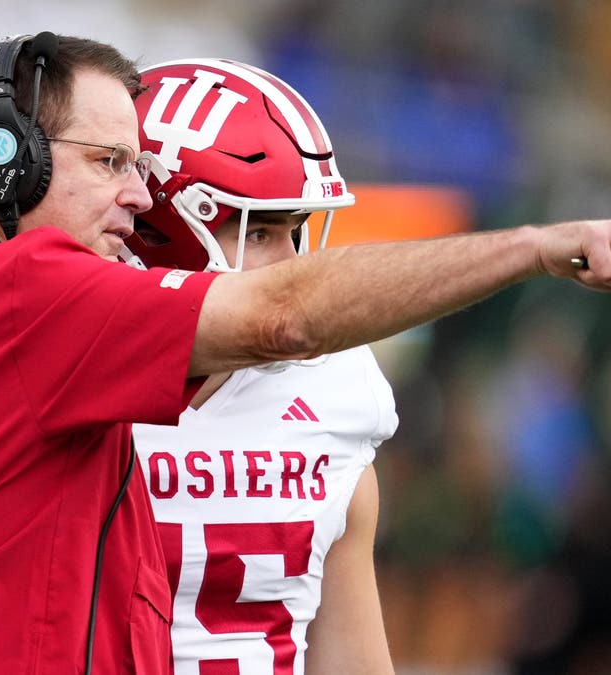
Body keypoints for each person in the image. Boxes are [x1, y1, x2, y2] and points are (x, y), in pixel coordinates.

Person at [0, 31, 611, 675]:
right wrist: (536, 247)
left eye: (135, 166)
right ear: (7, 164)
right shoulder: (30, 307)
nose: (130, 195)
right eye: (110, 166)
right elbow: (281, 315)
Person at [126, 58, 398, 674]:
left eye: (296, 231)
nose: (292, 267)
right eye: (260, 231)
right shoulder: (64, 369)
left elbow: (354, 659)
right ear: (156, 226)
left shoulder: (336, 388)